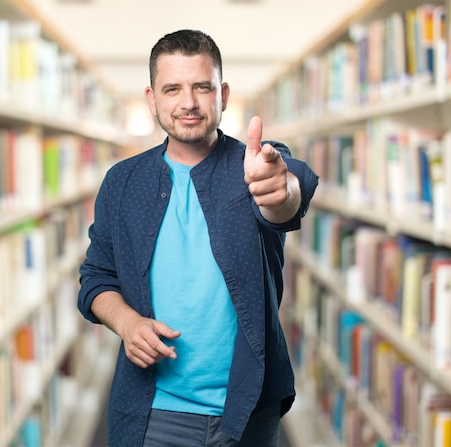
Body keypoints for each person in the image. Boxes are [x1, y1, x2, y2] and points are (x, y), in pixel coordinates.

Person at [77, 29, 319, 447]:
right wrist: (127, 322)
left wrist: (282, 189)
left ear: (222, 94)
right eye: (172, 89)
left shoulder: (256, 164)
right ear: (152, 99)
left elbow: (288, 194)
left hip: (246, 412)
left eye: (201, 87)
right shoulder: (121, 183)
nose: (188, 103)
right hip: (151, 413)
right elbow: (96, 277)